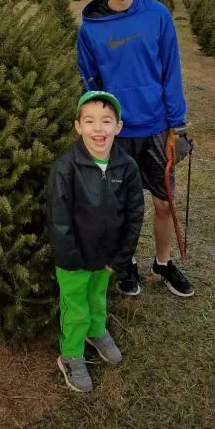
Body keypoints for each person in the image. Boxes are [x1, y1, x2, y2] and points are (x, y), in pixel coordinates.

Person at [77, 0, 194, 298]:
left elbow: (170, 71)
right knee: (118, 204)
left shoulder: (157, 15)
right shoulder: (91, 28)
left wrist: (177, 124)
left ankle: (162, 263)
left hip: (157, 127)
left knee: (163, 202)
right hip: (118, 133)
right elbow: (89, 81)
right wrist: (97, 126)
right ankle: (125, 264)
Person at [46, 90, 144, 392]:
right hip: (74, 260)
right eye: (89, 121)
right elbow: (58, 218)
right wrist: (70, 258)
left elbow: (134, 214)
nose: (98, 129)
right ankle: (72, 354)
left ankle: (97, 331)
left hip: (107, 258)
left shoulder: (126, 167)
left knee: (97, 298)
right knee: (75, 306)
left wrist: (121, 258)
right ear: (78, 127)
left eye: (106, 121)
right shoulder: (66, 167)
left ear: (118, 126)